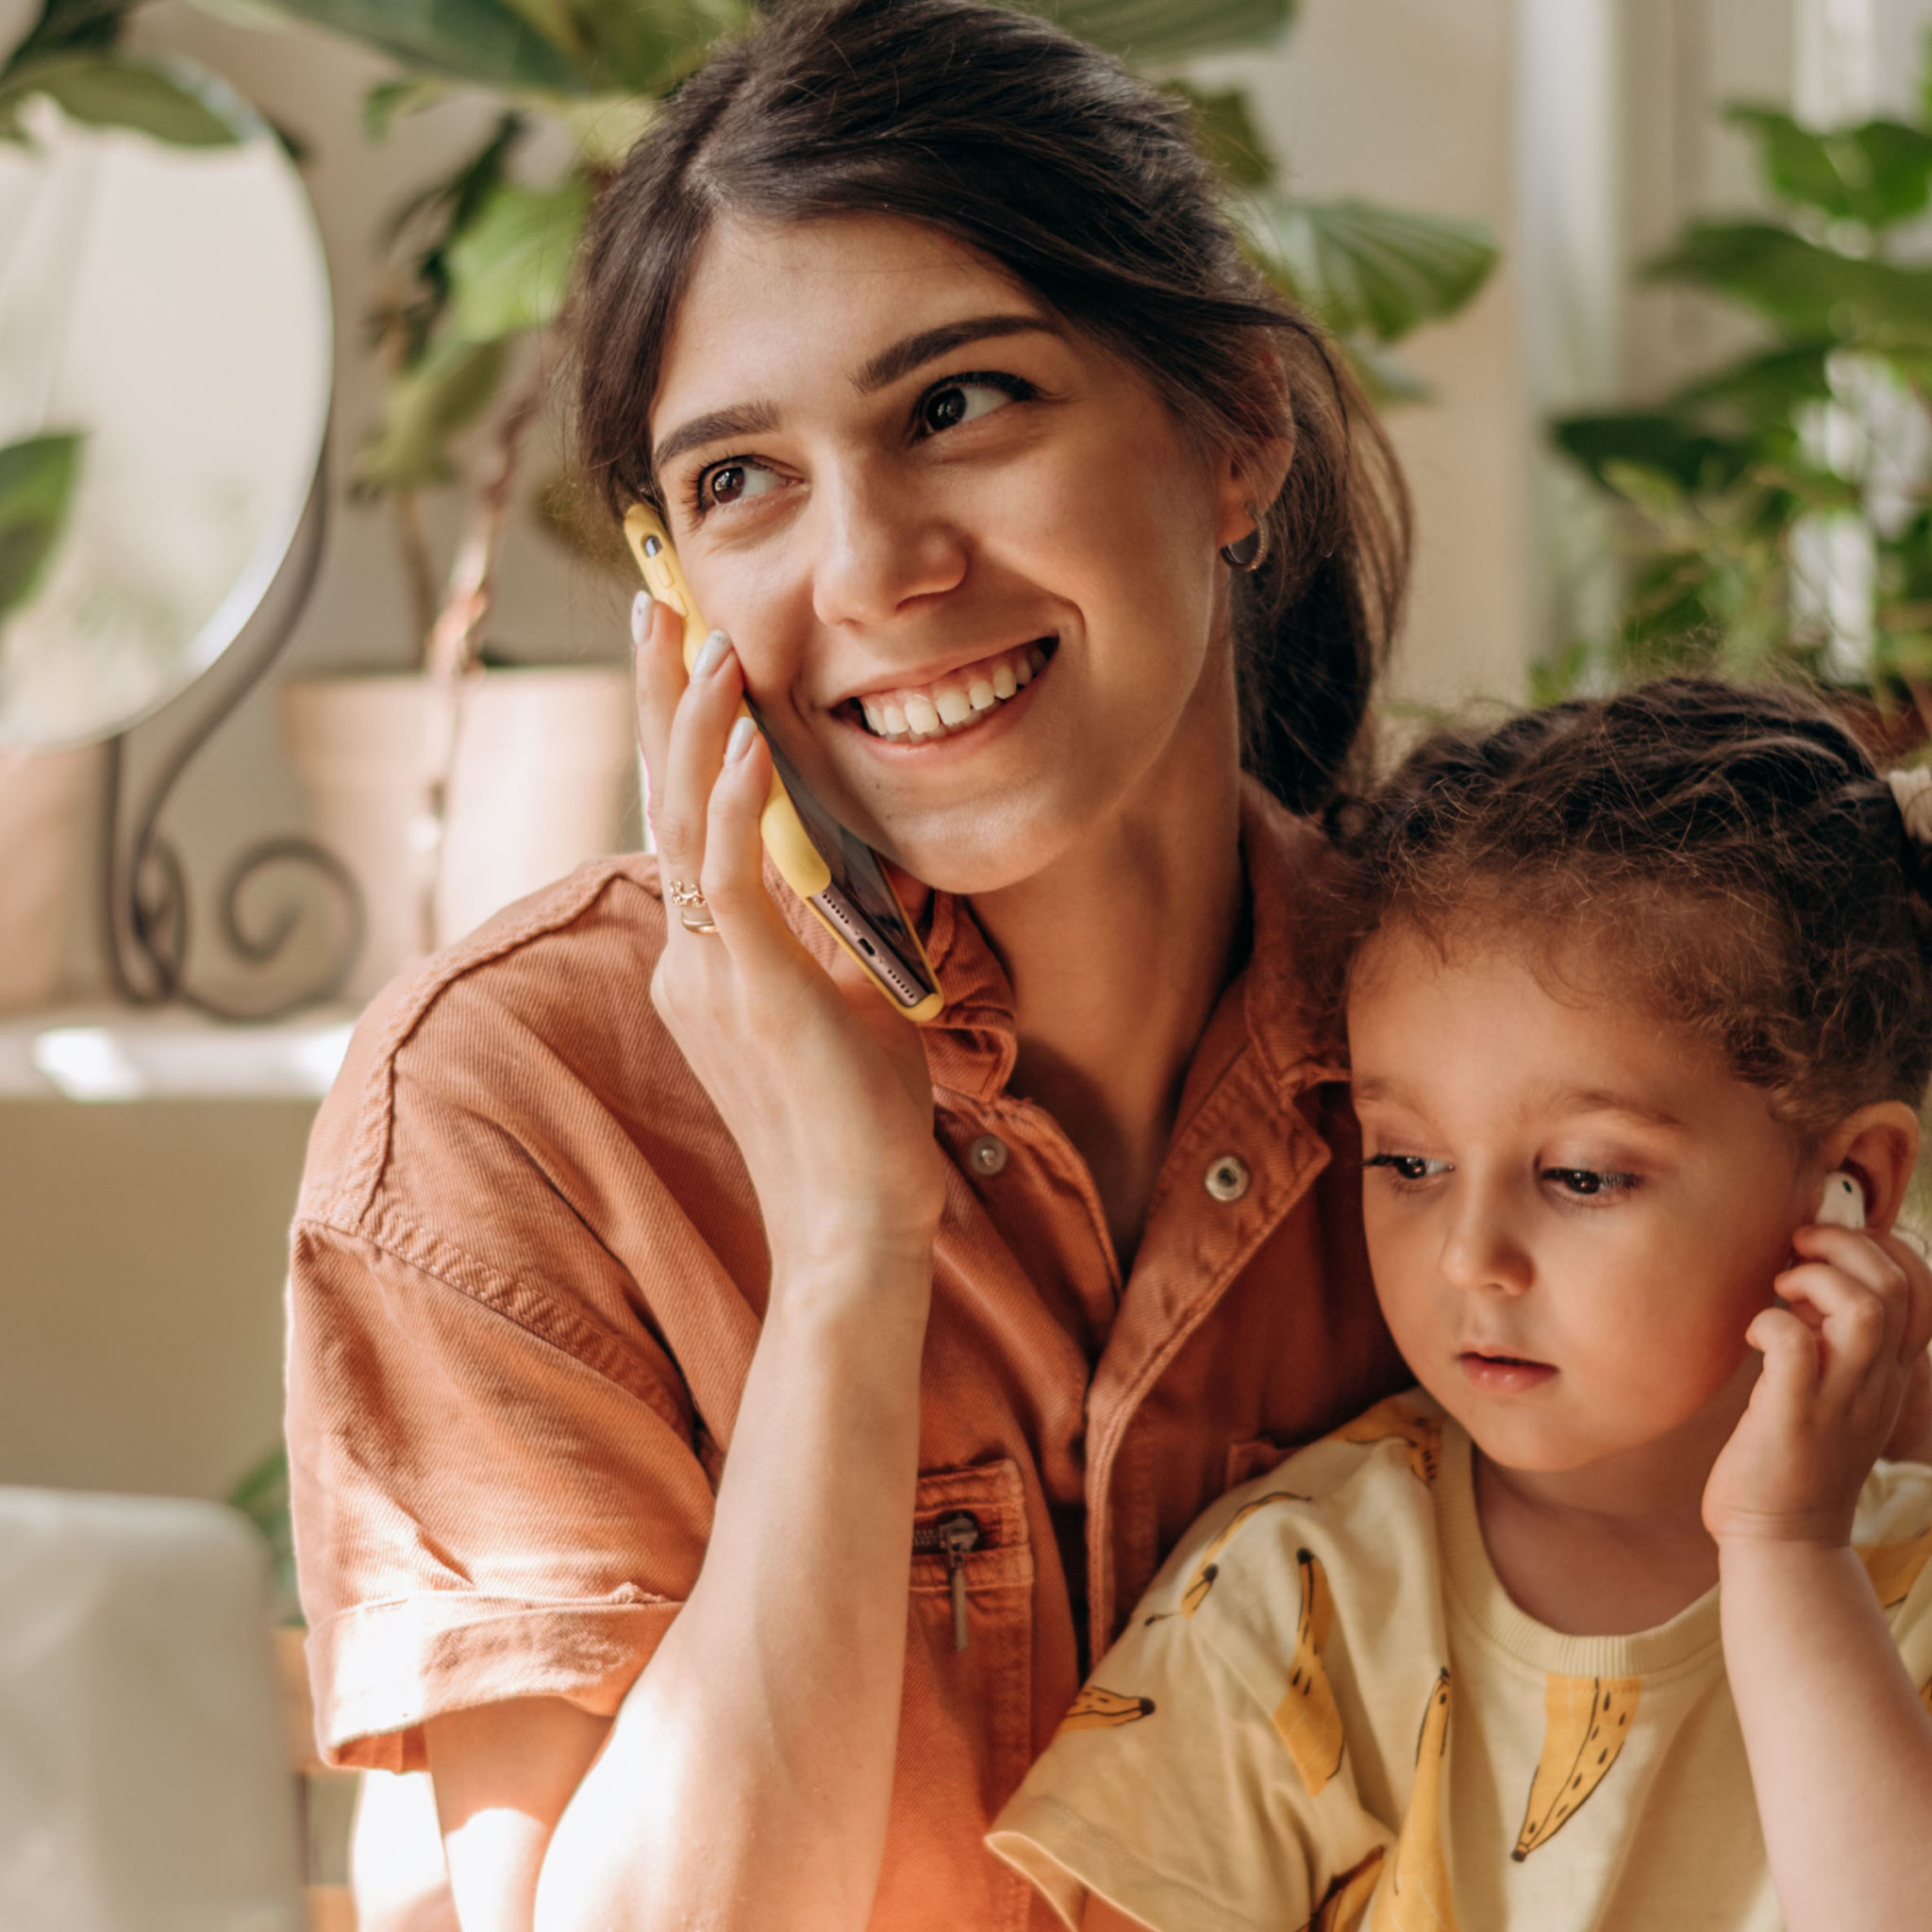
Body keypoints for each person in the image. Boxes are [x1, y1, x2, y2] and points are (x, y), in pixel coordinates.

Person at [284, 1, 1418, 1925]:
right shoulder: (520, 1107)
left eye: (958, 404)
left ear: (1238, 432)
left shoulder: (1518, 1049)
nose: (875, 571)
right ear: (677, 602)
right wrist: (844, 1257)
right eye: (741, 481)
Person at [990, 678, 1932, 1932]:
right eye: (1409, 1164)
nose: (1469, 1259)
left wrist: (1789, 1555)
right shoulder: (1294, 1596)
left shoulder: (1906, 1584)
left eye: (1583, 1176)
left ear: (1850, 1183)